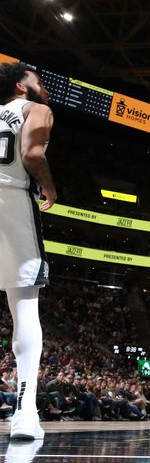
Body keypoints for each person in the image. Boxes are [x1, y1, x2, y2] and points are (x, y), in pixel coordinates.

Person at [0, 62, 55, 440]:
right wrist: (49, 189)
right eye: (37, 80)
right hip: (11, 201)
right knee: (24, 308)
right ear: (22, 88)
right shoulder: (36, 110)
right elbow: (33, 154)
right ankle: (25, 414)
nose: (43, 86)